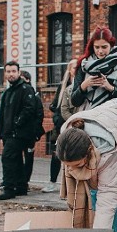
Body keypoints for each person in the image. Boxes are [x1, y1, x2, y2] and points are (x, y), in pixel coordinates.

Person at [56, 99, 117, 232]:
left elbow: (108, 196)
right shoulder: (67, 138)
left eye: (78, 165)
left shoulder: (107, 153)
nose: (73, 170)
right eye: (68, 166)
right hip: (108, 122)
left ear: (88, 153)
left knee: (102, 191)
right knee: (89, 192)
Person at [0, 61, 38, 200]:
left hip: (18, 133)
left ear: (18, 72)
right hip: (8, 132)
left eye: (13, 71)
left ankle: (9, 188)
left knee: (7, 158)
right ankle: (20, 187)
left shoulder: (25, 89)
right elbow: (3, 114)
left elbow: (30, 109)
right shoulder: (8, 92)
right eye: (8, 71)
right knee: (16, 159)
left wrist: (17, 123)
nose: (11, 74)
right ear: (5, 73)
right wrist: (0, 130)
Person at [71, 26, 117, 110]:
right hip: (88, 116)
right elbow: (74, 102)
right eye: (97, 47)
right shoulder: (84, 65)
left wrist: (111, 88)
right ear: (92, 46)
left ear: (111, 45)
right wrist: (84, 85)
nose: (100, 51)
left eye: (104, 47)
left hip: (114, 115)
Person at [45, 58, 79, 193]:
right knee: (56, 154)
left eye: (78, 67)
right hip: (61, 124)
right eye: (74, 67)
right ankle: (52, 182)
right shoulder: (63, 86)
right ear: (69, 70)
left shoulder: (81, 85)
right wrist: (58, 119)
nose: (76, 70)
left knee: (74, 154)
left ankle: (73, 183)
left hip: (76, 124)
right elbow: (56, 106)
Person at [19, 70, 45, 188]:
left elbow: (39, 115)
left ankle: (25, 182)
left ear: (28, 80)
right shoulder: (16, 94)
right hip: (18, 133)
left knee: (28, 158)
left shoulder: (34, 96)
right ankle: (15, 180)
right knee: (15, 157)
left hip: (30, 133)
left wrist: (35, 133)